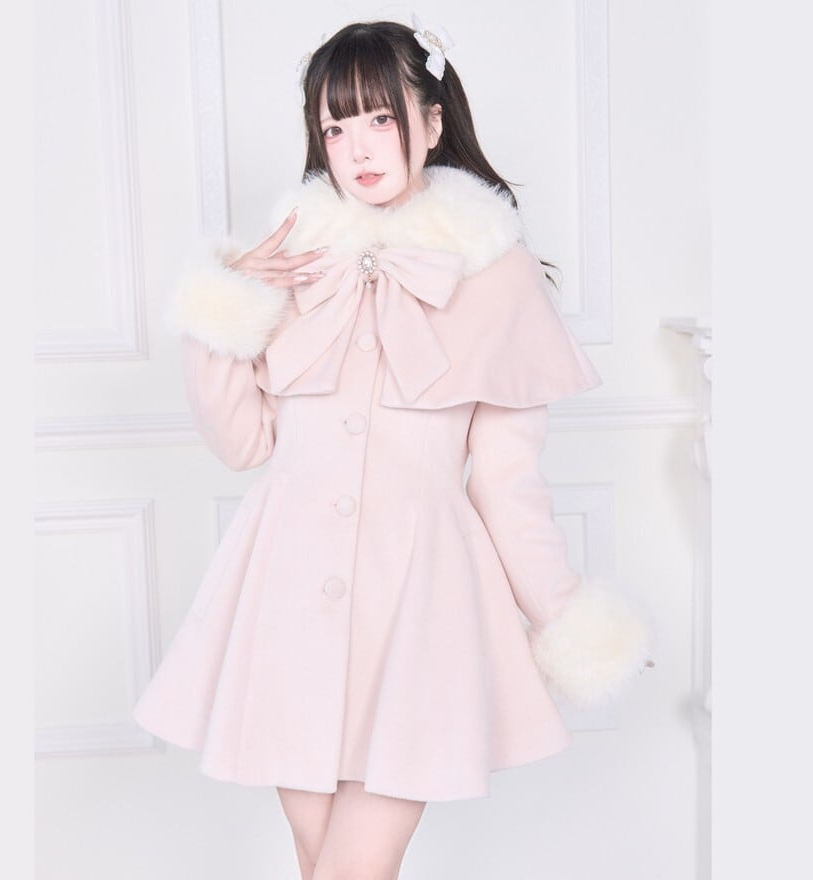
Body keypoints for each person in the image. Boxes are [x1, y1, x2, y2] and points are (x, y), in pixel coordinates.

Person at [133, 17, 653, 880]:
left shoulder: (497, 274)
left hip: (420, 602)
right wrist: (221, 311)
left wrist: (567, 617)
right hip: (287, 594)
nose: (359, 147)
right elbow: (242, 442)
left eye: (380, 117)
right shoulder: (292, 257)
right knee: (321, 865)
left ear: (432, 121)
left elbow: (507, 489)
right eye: (336, 126)